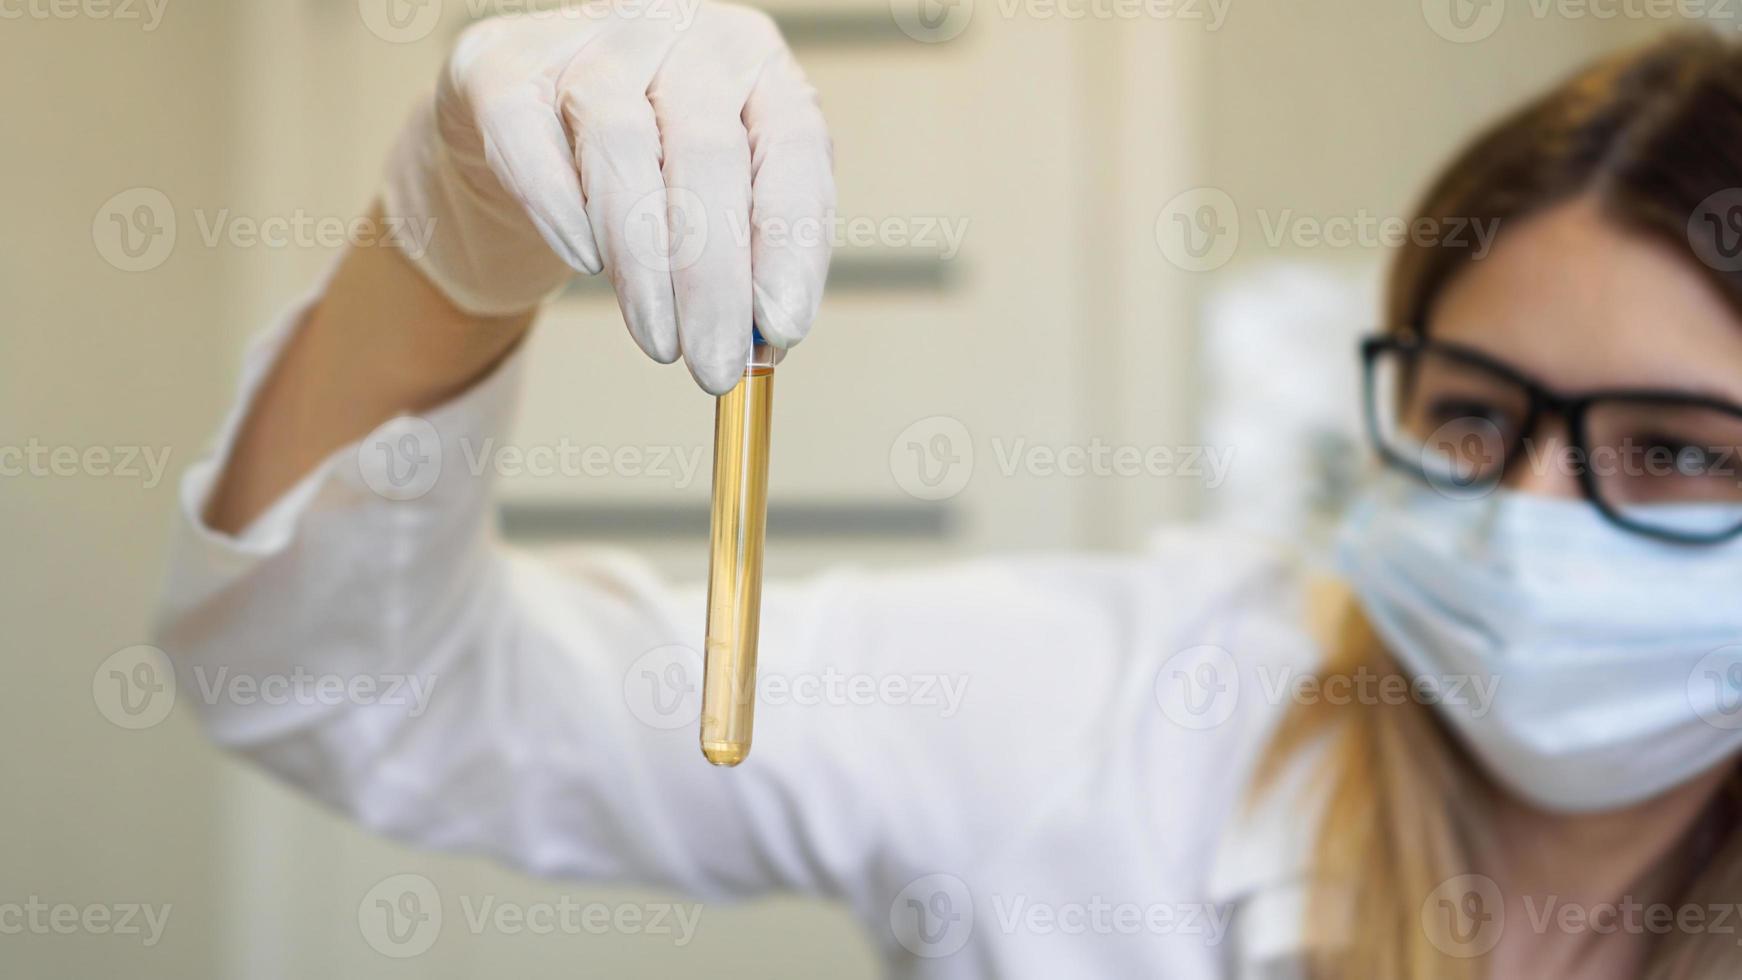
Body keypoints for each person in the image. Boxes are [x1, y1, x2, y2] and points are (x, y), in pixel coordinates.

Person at [154, 5, 1742, 977]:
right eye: (1469, 419)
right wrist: (454, 246)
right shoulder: (1093, 712)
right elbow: (342, 690)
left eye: (1674, 450)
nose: (1529, 509)